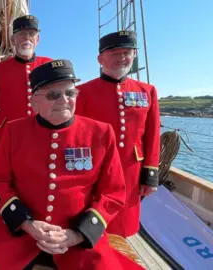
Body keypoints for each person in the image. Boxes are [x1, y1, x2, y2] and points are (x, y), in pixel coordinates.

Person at [0, 60, 145, 270]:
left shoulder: (101, 133)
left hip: (77, 236)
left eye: (70, 93)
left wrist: (76, 235)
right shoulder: (14, 131)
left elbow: (113, 193)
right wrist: (26, 224)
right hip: (19, 231)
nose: (64, 100)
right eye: (53, 95)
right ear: (34, 102)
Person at [75, 30, 160, 237]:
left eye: (127, 52)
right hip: (95, 168)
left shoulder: (147, 91)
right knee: (91, 222)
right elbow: (75, 134)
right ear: (100, 58)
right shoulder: (82, 92)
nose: (122, 57)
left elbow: (152, 134)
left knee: (124, 225)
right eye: (115, 52)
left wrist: (150, 175)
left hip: (131, 170)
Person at [0, 15, 52, 156]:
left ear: (37, 39)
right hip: (7, 132)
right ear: (13, 40)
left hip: (42, 129)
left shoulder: (48, 65)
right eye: (21, 34)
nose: (27, 37)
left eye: (31, 34)